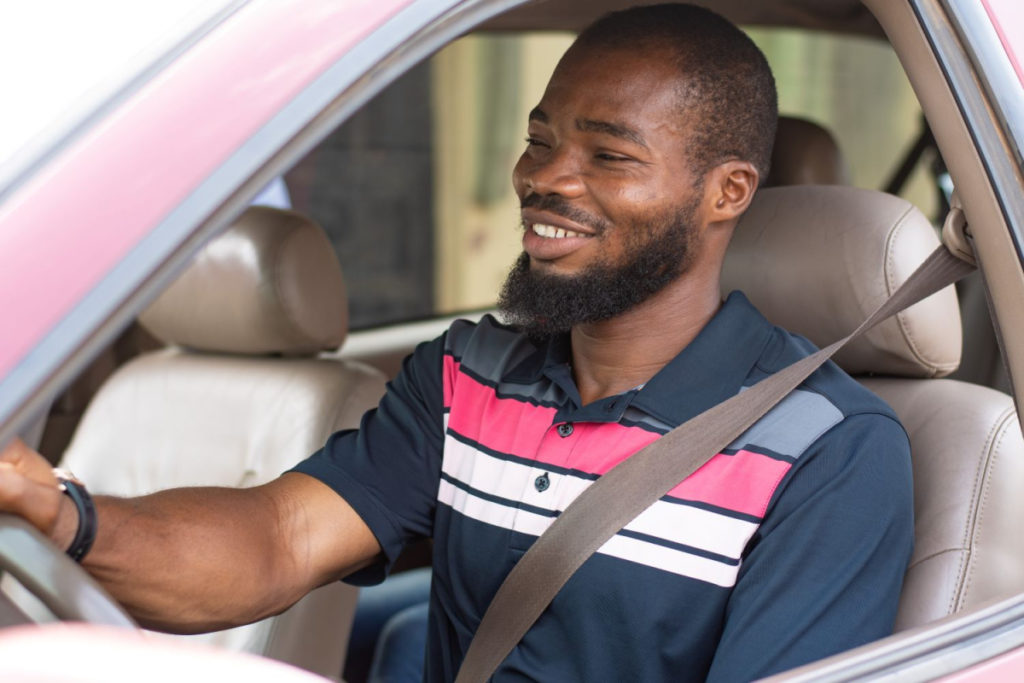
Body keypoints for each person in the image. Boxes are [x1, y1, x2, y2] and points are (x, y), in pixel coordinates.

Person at [0, 4, 912, 681]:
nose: (545, 179)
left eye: (609, 156)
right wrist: (66, 515)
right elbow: (278, 536)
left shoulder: (828, 451)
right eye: (540, 139)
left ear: (727, 193)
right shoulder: (468, 374)